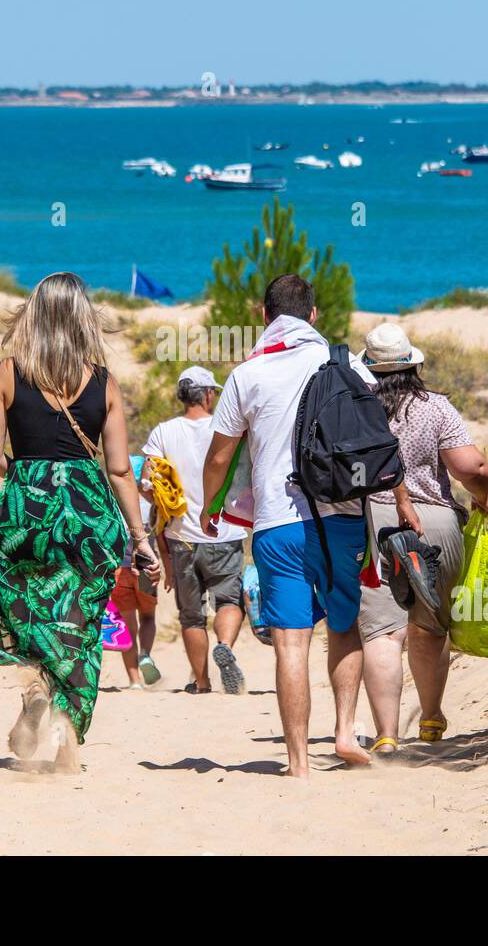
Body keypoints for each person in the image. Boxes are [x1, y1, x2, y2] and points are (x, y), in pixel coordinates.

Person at [200, 275, 421, 778]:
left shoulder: (247, 374)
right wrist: (402, 501)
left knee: (291, 641)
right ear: (314, 316)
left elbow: (219, 456)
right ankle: (345, 730)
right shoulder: (350, 370)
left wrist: (211, 505)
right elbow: (383, 445)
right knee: (344, 627)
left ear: (263, 315)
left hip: (278, 524)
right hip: (343, 517)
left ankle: (298, 763)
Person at [0, 272, 158, 770]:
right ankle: (67, 741)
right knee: (82, 620)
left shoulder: (7, 372)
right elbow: (118, 469)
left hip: (28, 509)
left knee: (21, 606)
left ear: (34, 315)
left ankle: (34, 685)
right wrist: (141, 538)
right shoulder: (103, 381)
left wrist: (29, 478)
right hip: (89, 514)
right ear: (83, 319)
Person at [356, 321, 488, 748]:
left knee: (382, 631)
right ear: (412, 363)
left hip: (374, 522)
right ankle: (431, 719)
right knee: (430, 627)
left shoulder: (356, 408)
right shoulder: (434, 406)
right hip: (435, 522)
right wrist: (483, 497)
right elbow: (472, 467)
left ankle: (385, 735)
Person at [141, 366, 247, 694]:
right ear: (206, 395)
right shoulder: (226, 427)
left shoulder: (163, 432)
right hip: (224, 530)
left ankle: (201, 683)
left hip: (181, 537)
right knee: (229, 600)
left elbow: (146, 484)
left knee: (191, 616)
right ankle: (225, 645)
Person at [112, 455, 162, 688]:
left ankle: (133, 681)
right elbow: (161, 537)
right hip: (145, 567)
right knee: (148, 617)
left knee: (126, 623)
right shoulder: (151, 504)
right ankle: (145, 654)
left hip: (117, 569)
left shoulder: (113, 503)